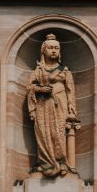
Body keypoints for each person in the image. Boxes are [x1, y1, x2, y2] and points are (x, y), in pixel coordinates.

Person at [27, 33, 77, 177]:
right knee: (43, 133)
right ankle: (45, 163)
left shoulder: (64, 71)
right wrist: (40, 89)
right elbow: (30, 87)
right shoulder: (38, 71)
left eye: (56, 48)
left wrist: (72, 109)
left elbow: (70, 91)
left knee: (59, 133)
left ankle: (62, 163)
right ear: (44, 51)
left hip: (60, 105)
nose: (54, 50)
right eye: (50, 48)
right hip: (42, 106)